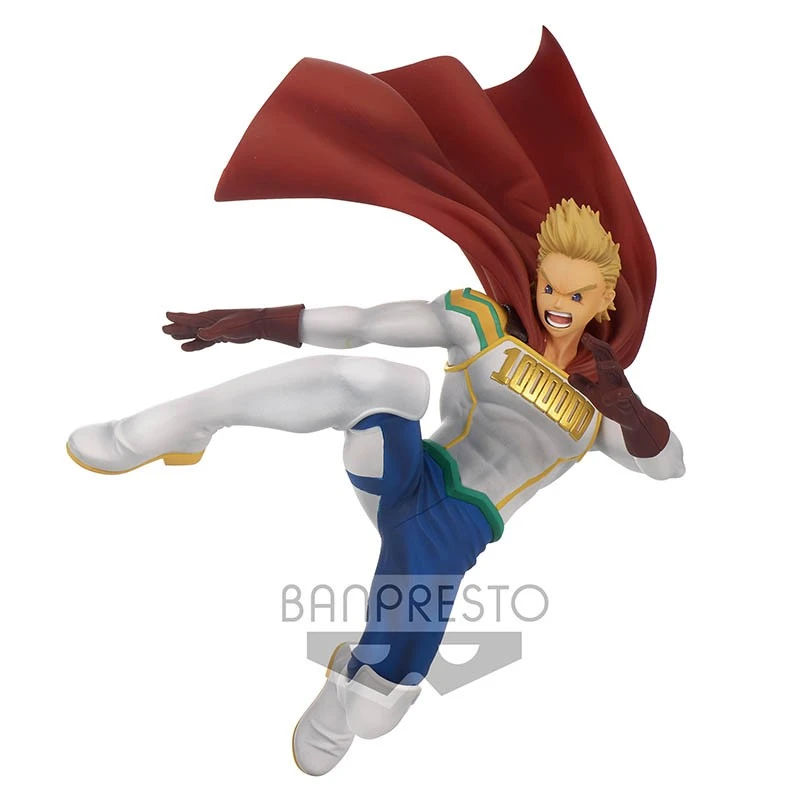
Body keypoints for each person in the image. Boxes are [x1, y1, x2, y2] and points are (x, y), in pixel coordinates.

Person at [67, 197, 684, 775]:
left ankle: (346, 686)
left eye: (576, 293)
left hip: (449, 541)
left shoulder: (602, 406)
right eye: (550, 285)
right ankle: (176, 426)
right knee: (394, 385)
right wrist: (261, 321)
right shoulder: (484, 323)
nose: (558, 303)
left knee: (375, 714)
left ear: (604, 298)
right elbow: (363, 324)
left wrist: (630, 410)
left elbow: (668, 466)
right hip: (408, 474)